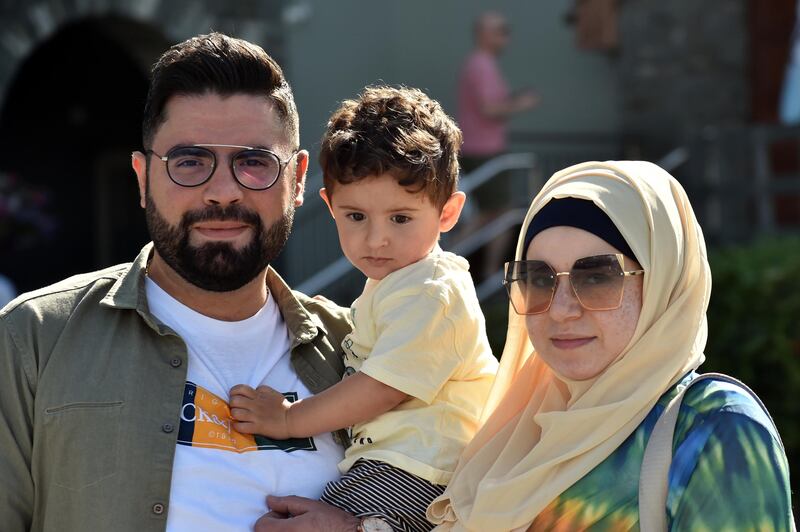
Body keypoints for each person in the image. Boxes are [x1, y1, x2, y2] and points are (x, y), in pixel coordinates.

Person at [255, 161, 795, 531]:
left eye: (598, 276)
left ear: (663, 284)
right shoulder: (514, 429)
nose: (561, 308)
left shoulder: (712, 428)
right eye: (537, 277)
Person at [0, 32, 353, 531]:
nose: (223, 192)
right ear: (142, 179)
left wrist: (368, 527)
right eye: (190, 162)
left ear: (297, 180)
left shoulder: (363, 350)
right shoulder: (32, 340)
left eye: (254, 161)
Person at [231, 86, 498, 532]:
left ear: (448, 213)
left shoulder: (431, 292)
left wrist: (288, 418)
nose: (376, 239)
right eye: (356, 217)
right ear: (330, 207)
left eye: (400, 218)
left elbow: (382, 388)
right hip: (402, 463)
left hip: (419, 468)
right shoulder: (399, 283)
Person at [456, 11, 540, 282]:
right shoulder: (480, 64)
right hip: (483, 151)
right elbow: (490, 109)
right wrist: (521, 104)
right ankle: (487, 274)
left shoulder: (482, 63)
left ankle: (487, 274)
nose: (506, 35)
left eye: (506, 29)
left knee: (494, 214)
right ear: (483, 33)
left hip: (482, 149)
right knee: (496, 213)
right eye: (500, 30)